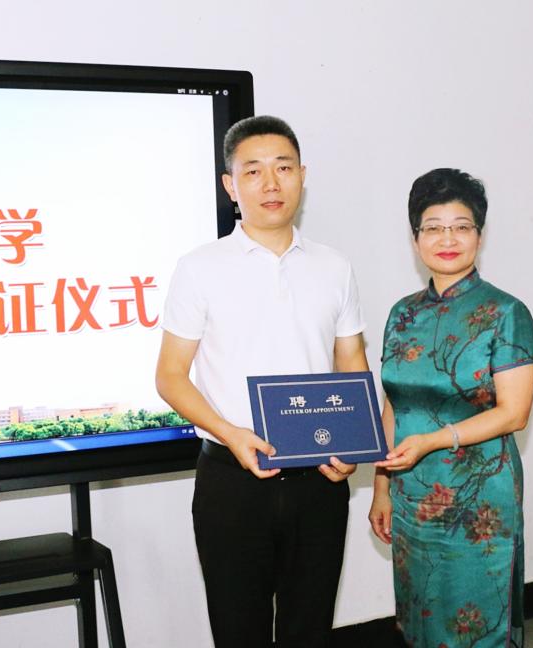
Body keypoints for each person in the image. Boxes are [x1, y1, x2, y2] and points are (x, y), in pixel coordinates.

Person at [155, 115, 368, 648]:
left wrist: (353, 443)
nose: (271, 183)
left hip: (320, 480)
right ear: (231, 186)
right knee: (238, 631)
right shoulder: (199, 267)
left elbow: (352, 361)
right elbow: (170, 377)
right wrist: (231, 433)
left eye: (283, 168)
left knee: (309, 629)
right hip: (233, 482)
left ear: (303, 176)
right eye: (253, 171)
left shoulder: (334, 267)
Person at [368, 168, 533, 648]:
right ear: (415, 238)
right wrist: (381, 487)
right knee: (421, 615)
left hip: (478, 494)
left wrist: (433, 440)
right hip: (410, 491)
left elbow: (514, 413)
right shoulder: (402, 313)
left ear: (479, 237)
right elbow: (394, 402)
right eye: (433, 227)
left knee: (473, 621)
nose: (447, 239)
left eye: (461, 227)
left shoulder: (507, 312)